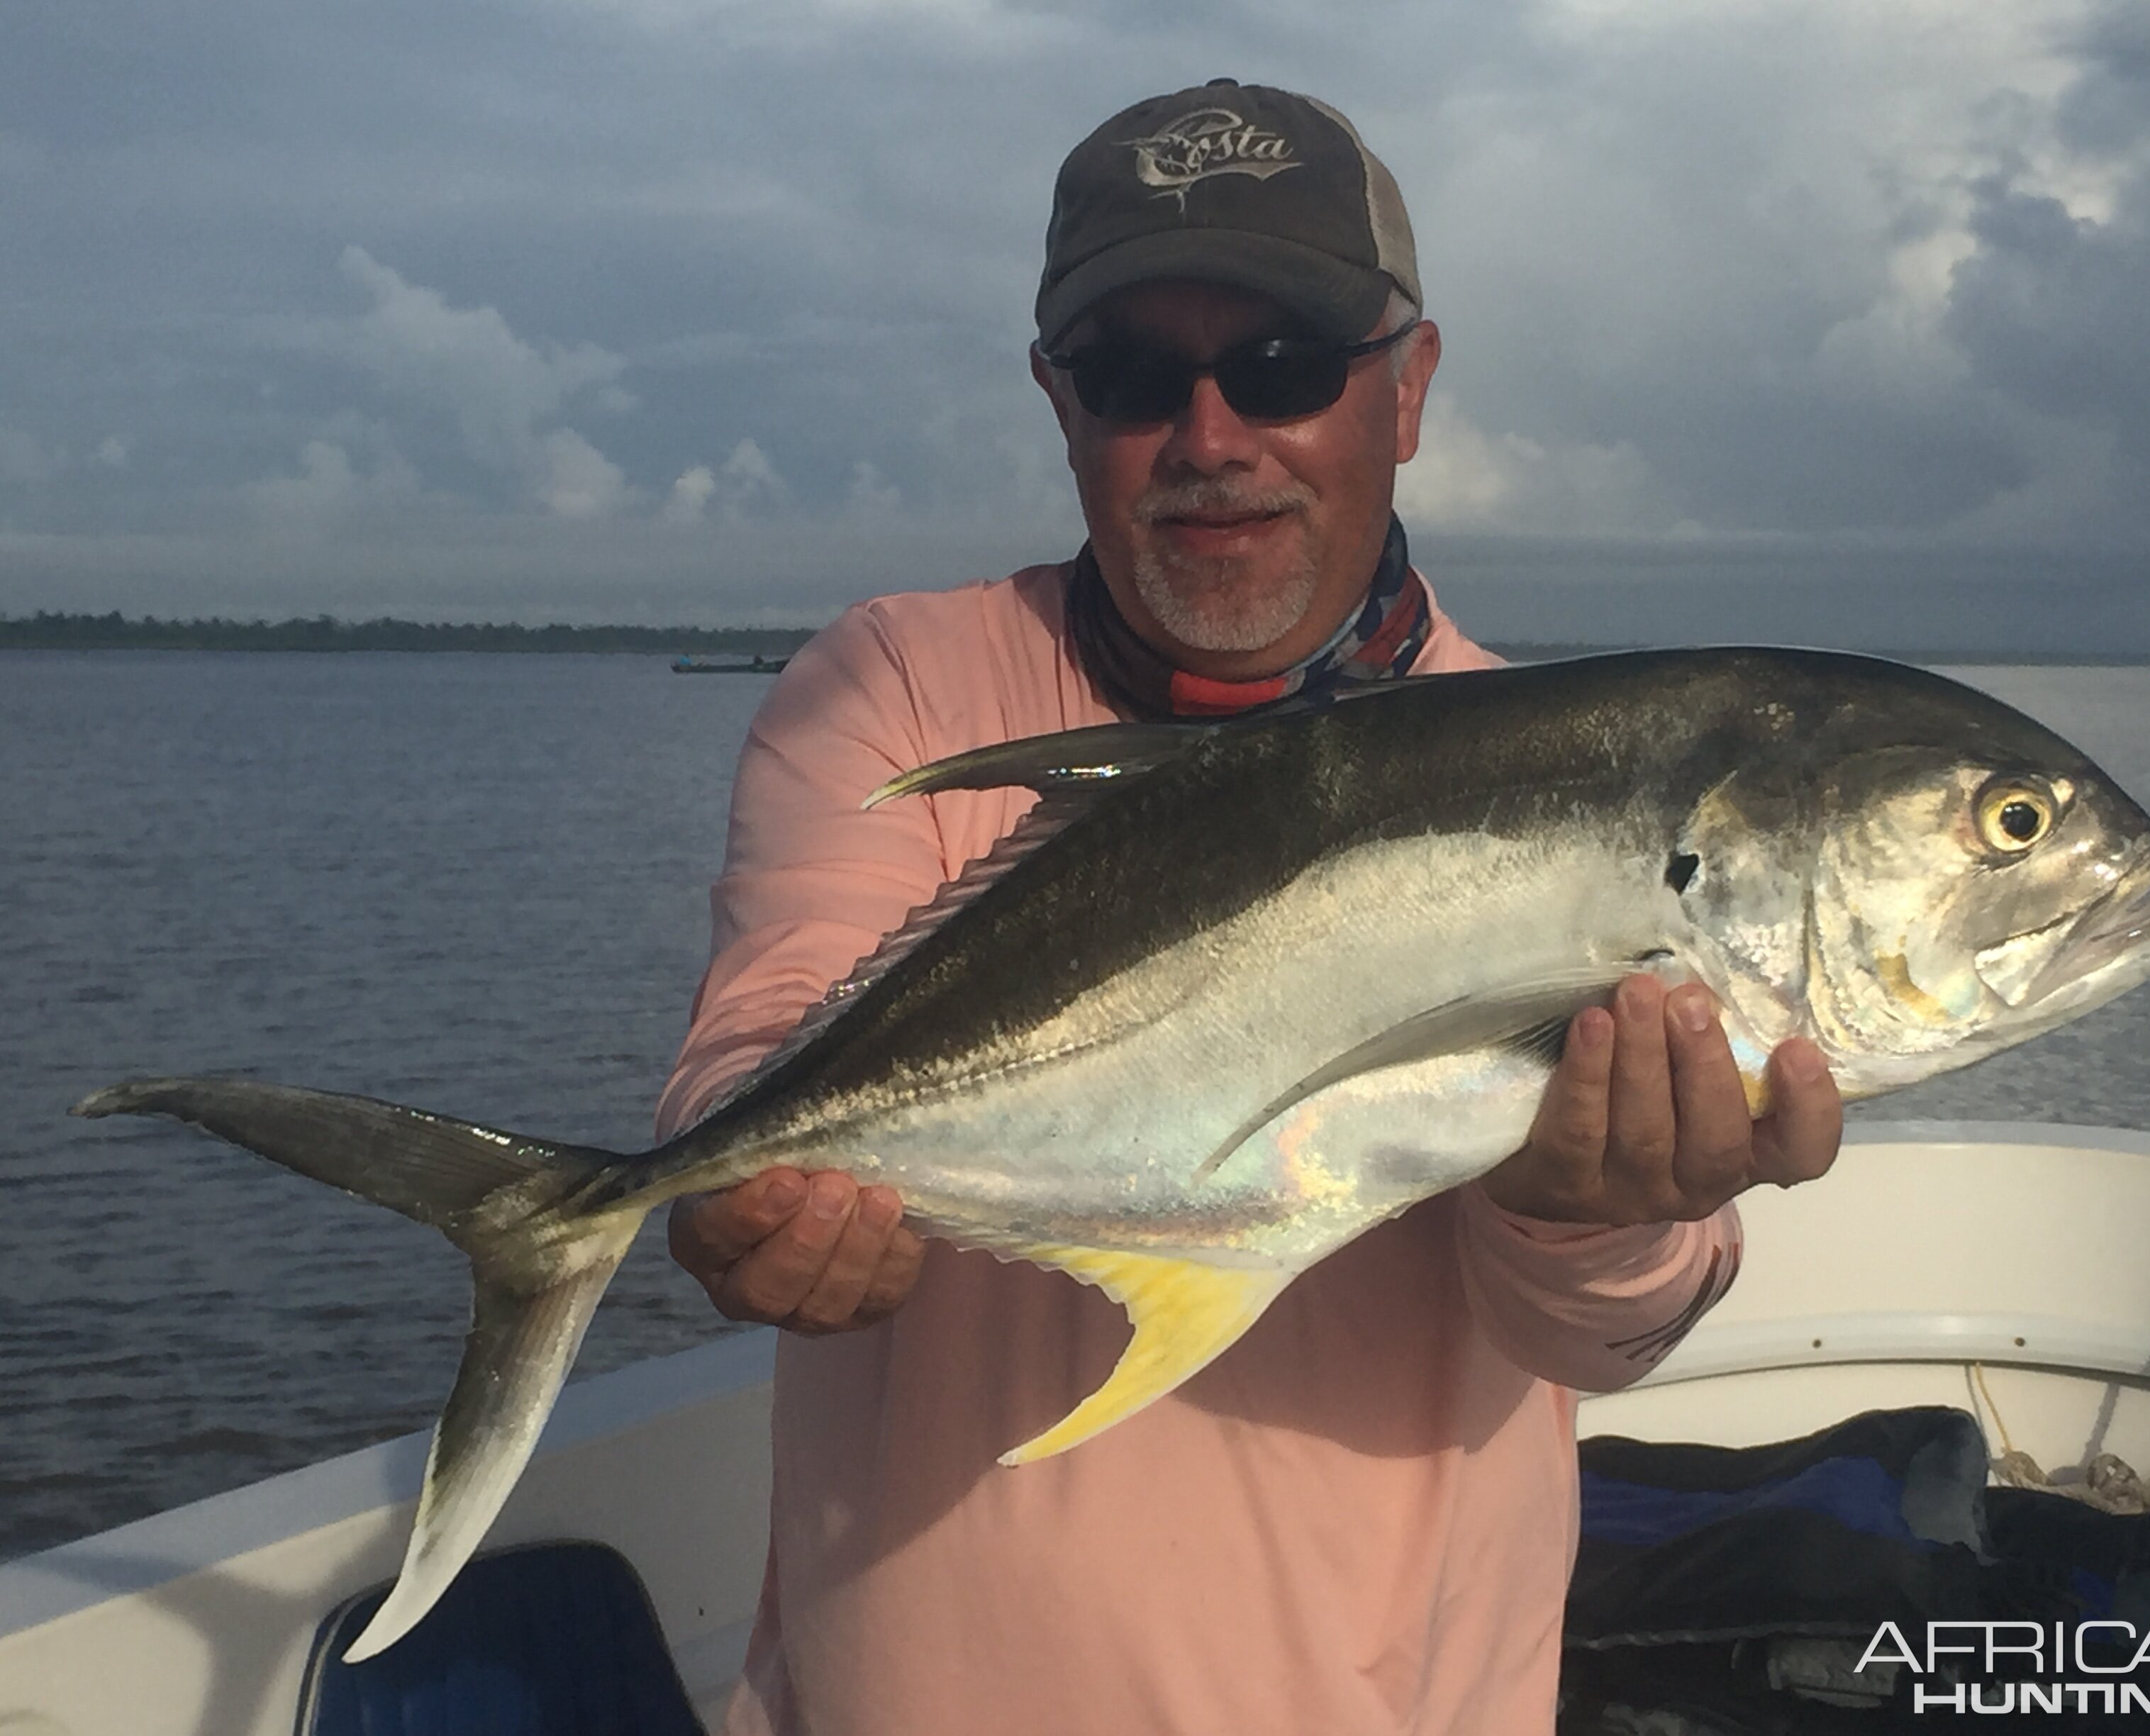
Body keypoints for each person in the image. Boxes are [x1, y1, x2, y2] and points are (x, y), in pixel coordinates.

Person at [657, 80, 1844, 1736]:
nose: (1212, 441)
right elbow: (763, 1032)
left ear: (1408, 387)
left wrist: (1595, 1206)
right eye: (1137, 376)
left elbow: (1609, 1332)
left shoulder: (1576, 782)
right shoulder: (904, 690)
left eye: (1283, 366)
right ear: (1060, 406)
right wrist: (734, 1182)